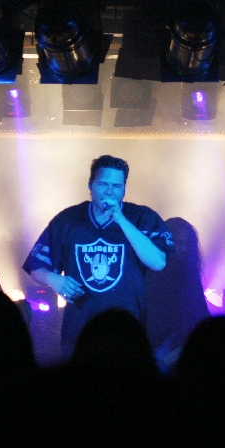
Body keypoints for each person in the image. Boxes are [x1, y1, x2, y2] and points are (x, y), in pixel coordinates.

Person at [22, 155, 175, 359]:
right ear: (90, 185)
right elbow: (35, 266)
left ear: (124, 189)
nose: (109, 191)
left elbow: (158, 262)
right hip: (79, 332)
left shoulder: (141, 217)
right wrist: (53, 279)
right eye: (103, 184)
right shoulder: (68, 220)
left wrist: (121, 220)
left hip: (128, 331)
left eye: (116, 186)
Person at [145, 217, 211, 373]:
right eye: (178, 243)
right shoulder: (149, 272)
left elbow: (201, 314)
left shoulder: (190, 277)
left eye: (187, 244)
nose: (183, 249)